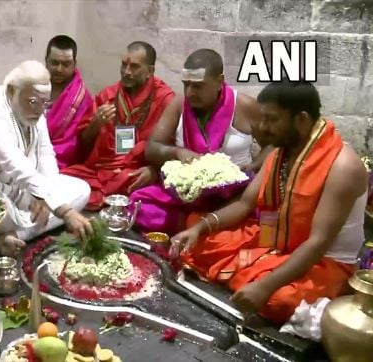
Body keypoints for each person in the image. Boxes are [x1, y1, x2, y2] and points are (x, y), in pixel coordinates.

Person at [171, 81, 367, 324]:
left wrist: (265, 287)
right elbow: (245, 204)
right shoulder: (281, 152)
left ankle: (256, 282)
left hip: (323, 261)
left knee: (279, 300)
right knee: (196, 232)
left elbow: (317, 243)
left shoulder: (343, 167)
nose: (263, 128)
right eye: (262, 119)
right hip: (273, 240)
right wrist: (199, 228)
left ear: (302, 119)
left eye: (272, 120)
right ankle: (253, 277)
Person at [0, 60, 94, 256]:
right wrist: (64, 211)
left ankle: (11, 235)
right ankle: (1, 231)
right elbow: (15, 164)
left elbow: (46, 155)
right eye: (33, 102)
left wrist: (46, 197)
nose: (39, 110)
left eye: (44, 103)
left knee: (81, 189)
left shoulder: (33, 108)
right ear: (12, 91)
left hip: (20, 189)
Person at [130, 49, 272, 235]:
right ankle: (194, 228)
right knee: (137, 205)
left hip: (232, 198)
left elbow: (273, 145)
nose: (189, 92)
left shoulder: (245, 106)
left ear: (219, 81)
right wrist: (178, 152)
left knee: (258, 227)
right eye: (186, 85)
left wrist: (253, 166)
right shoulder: (179, 104)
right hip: (185, 195)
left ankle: (195, 230)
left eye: (197, 86)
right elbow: (152, 148)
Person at [60, 41, 175, 210]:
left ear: (150, 71)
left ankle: (100, 199)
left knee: (133, 184)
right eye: (124, 65)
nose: (126, 72)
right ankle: (104, 199)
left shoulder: (165, 99)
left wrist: (154, 170)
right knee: (62, 178)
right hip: (100, 170)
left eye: (134, 67)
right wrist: (95, 125)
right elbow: (83, 148)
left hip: (134, 171)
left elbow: (171, 148)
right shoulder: (108, 95)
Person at [44, 35, 93, 169]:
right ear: (46, 61)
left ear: (74, 64)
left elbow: (74, 146)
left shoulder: (81, 99)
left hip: (61, 165)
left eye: (66, 64)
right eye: (54, 63)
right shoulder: (32, 87)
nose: (59, 69)